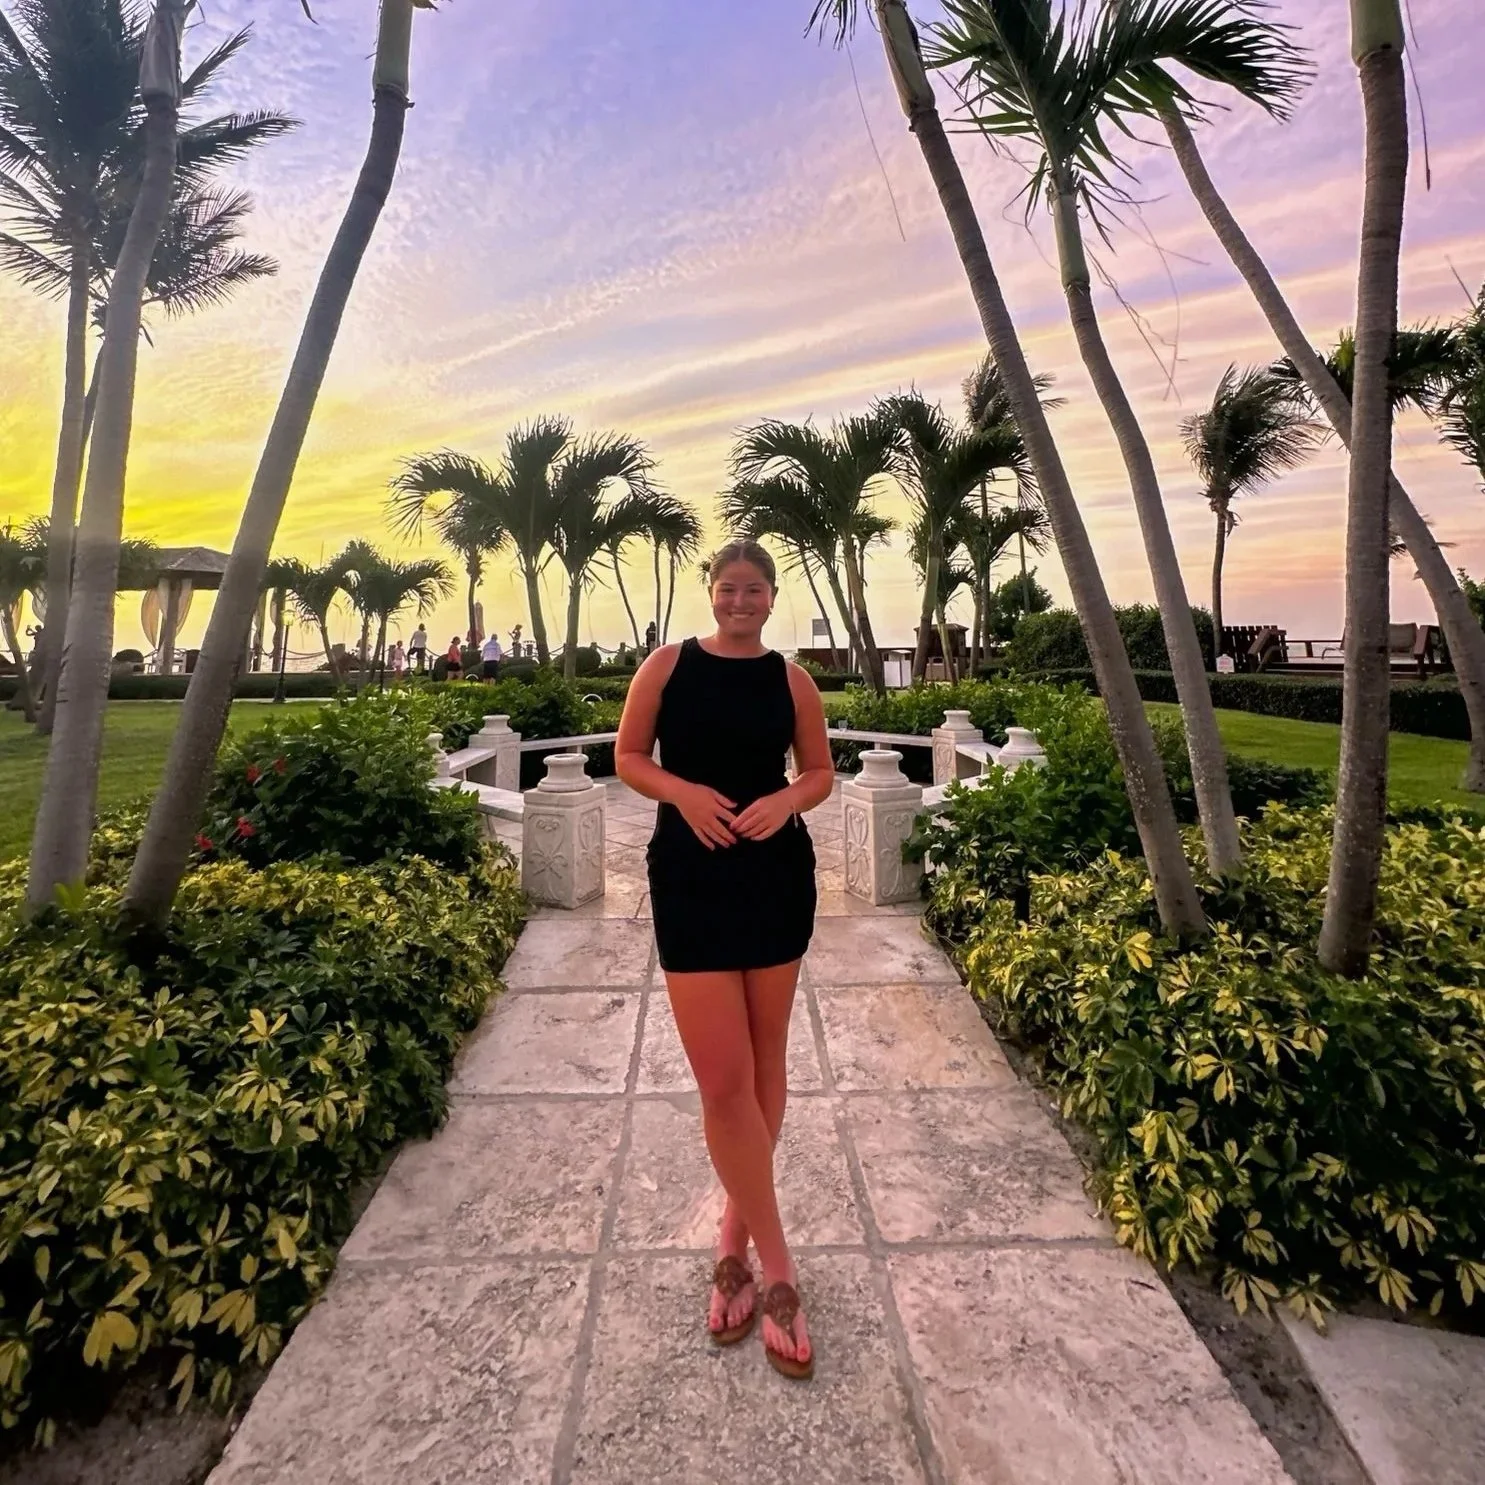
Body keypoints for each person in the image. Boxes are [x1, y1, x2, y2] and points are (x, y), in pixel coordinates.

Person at [615, 539, 834, 1381]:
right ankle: (780, 1269)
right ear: (711, 593)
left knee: (767, 1059)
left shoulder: (792, 678)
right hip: (692, 877)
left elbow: (817, 771)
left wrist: (783, 799)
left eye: (754, 590)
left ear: (770, 598)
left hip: (774, 874)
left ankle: (736, 1241)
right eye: (727, 587)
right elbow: (629, 758)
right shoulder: (665, 667)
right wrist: (684, 793)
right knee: (721, 1079)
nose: (740, 600)